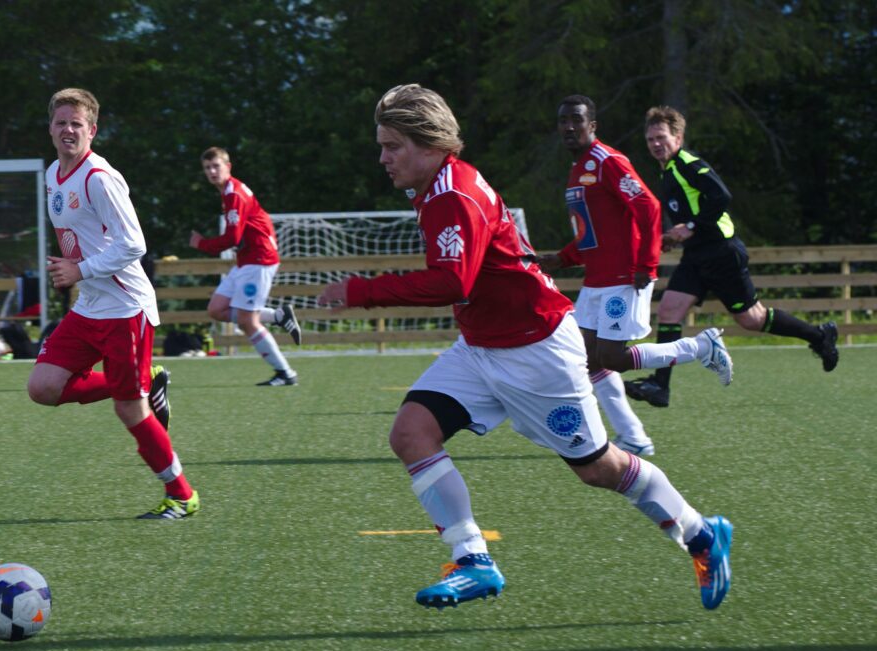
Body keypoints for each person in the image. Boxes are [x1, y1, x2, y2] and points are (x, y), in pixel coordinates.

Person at [318, 84, 732, 611]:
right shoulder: (436, 188)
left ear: (429, 144)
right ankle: (472, 560)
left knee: (598, 468)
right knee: (411, 432)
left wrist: (359, 292)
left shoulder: (453, 195)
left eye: (392, 146)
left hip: (537, 351)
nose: (383, 158)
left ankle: (701, 534)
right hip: (483, 345)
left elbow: (453, 283)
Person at [27, 88, 198, 520]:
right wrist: (73, 268)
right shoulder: (53, 175)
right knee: (43, 388)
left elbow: (134, 245)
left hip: (125, 309)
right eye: (61, 122)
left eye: (77, 124)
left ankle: (181, 495)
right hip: (89, 306)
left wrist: (79, 271)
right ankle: (147, 379)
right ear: (50, 128)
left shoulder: (99, 178)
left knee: (129, 408)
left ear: (92, 130)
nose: (68, 130)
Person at [539, 95, 734, 451]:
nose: (569, 127)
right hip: (596, 280)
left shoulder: (608, 161)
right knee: (586, 360)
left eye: (576, 120)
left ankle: (701, 346)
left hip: (625, 278)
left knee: (611, 358)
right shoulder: (576, 169)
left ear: (592, 126)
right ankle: (633, 437)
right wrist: (562, 259)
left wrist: (646, 264)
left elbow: (649, 207)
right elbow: (591, 235)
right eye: (563, 120)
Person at [626, 106, 840, 408]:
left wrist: (690, 226)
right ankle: (660, 386)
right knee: (669, 311)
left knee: (752, 319)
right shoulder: (667, 171)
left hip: (721, 252)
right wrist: (676, 236)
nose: (655, 144)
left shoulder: (688, 163)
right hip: (697, 255)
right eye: (650, 139)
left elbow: (721, 196)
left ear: (678, 137)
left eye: (661, 137)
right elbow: (691, 211)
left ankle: (820, 336)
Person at [190, 147, 302, 386]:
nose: (211, 171)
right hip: (246, 260)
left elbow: (232, 237)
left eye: (216, 166)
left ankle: (285, 373)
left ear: (228, 167)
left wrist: (202, 244)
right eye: (207, 168)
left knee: (247, 321)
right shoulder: (229, 192)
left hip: (259, 260)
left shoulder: (234, 195)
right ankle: (278, 315)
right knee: (216, 309)